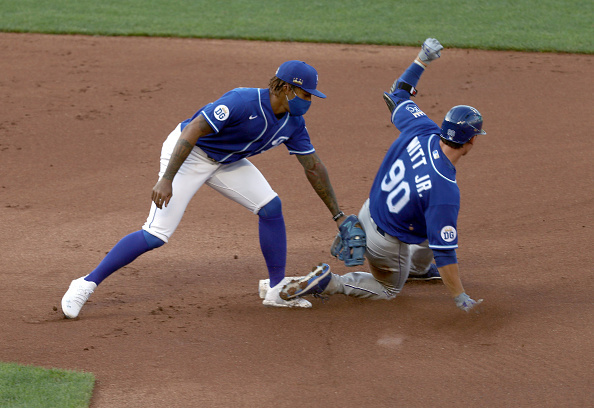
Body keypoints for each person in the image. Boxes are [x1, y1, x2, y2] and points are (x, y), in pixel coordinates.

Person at [61, 60, 349, 318]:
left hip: (227, 161)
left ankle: (275, 290)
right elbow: (194, 129)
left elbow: (313, 167)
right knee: (155, 234)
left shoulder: (294, 124)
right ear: (286, 88)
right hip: (189, 154)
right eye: (306, 94)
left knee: (270, 207)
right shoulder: (242, 101)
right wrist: (167, 178)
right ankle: (85, 283)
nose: (309, 100)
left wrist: (338, 216)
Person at [279, 39, 484, 313]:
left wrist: (422, 59)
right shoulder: (445, 190)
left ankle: (419, 269)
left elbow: (397, 94)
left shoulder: (422, 128)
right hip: (386, 245)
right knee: (387, 290)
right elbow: (446, 254)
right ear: (470, 142)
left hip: (366, 213)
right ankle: (333, 282)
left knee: (428, 224)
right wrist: (461, 298)